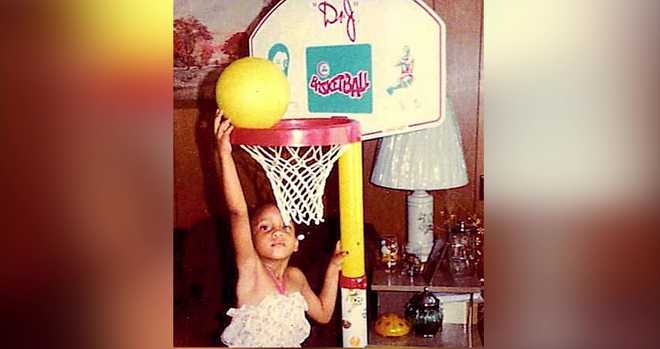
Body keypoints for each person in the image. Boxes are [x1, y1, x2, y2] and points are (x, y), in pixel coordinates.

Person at [214, 111, 347, 347]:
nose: (276, 232)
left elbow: (324, 314)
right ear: (251, 241)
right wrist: (224, 154)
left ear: (296, 242)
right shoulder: (251, 270)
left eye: (285, 226)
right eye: (265, 227)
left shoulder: (296, 277)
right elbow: (238, 212)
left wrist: (334, 267)